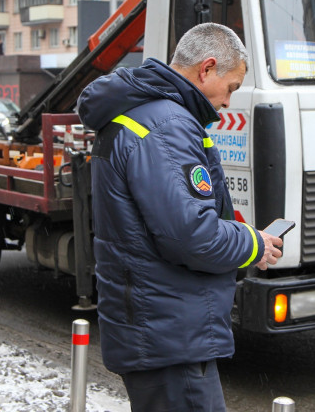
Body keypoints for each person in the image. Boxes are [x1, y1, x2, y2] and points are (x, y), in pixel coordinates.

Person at [77, 22, 283, 411]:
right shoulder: (168, 124)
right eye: (232, 87)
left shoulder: (143, 112)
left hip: (157, 325)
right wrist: (254, 243)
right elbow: (192, 235)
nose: (227, 102)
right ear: (206, 69)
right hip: (170, 331)